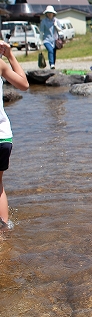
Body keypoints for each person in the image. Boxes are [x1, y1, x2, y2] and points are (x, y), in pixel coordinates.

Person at [0, 40, 29, 228]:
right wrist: (10, 55)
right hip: (2, 136)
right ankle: (4, 233)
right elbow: (24, 84)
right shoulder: (1, 64)